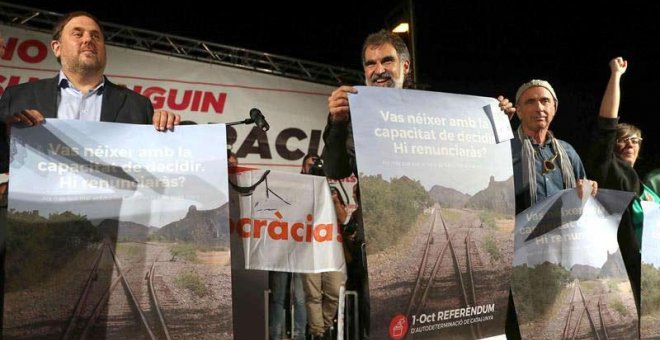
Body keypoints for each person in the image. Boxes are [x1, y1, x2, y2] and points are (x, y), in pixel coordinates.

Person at [0, 11, 180, 174]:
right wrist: (9, 136)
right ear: (57, 47)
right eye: (78, 34)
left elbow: (155, 167)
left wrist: (167, 132)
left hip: (110, 209)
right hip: (33, 208)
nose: (88, 40)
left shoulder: (139, 106)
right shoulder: (18, 97)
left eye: (95, 35)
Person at [321, 29, 411, 339]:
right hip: (374, 242)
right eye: (370, 64)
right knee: (384, 327)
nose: (379, 69)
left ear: (405, 66)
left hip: (421, 230)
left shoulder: (433, 109)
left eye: (387, 60)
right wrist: (335, 124)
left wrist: (494, 116)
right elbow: (334, 169)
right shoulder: (351, 113)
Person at [498, 79, 597, 339]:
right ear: (518, 110)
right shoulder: (504, 149)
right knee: (522, 327)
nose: (538, 106)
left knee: (558, 323)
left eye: (545, 101)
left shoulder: (568, 152)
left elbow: (582, 209)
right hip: (518, 261)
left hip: (559, 257)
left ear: (554, 108)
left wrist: (587, 191)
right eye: (530, 101)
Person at [584, 56, 660, 314]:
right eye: (623, 140)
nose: (630, 145)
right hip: (623, 275)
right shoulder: (608, 171)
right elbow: (606, 126)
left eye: (635, 141)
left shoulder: (646, 185)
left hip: (653, 275)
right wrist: (616, 76)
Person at [299, 153, 343, 340]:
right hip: (308, 252)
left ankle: (323, 327)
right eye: (310, 166)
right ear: (303, 169)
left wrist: (334, 201)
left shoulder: (331, 190)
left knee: (334, 292)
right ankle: (318, 333)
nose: (314, 169)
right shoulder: (298, 190)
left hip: (330, 252)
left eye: (317, 166)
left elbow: (342, 218)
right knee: (313, 295)